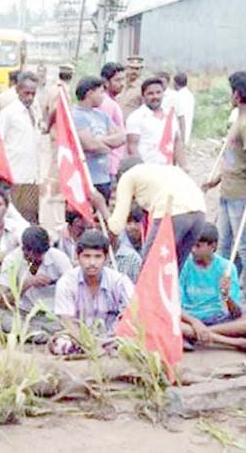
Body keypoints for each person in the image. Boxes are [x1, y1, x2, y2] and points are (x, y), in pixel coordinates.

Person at [102, 156, 206, 271]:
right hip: (200, 214)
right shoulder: (163, 171)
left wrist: (100, 205)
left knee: (148, 270)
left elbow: (116, 226)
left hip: (172, 214)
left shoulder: (128, 176)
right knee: (172, 271)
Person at [51, 230, 134, 355]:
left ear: (105, 259)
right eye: (87, 256)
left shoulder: (119, 281)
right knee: (60, 344)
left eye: (97, 257)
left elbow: (133, 312)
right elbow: (67, 320)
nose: (92, 263)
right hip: (79, 339)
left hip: (112, 338)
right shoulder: (66, 282)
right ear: (77, 257)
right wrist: (90, 345)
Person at [202, 71, 246, 272]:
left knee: (242, 245)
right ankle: (223, 288)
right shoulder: (238, 119)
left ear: (237, 94)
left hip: (240, 195)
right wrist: (216, 181)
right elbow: (233, 159)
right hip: (228, 191)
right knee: (224, 245)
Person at [0, 226, 72, 342]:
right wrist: (25, 285)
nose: (37, 258)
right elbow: (2, 301)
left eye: (40, 254)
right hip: (24, 314)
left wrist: (57, 283)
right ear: (24, 250)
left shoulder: (59, 258)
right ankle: (41, 336)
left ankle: (37, 336)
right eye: (33, 255)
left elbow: (73, 289)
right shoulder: (11, 260)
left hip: (53, 316)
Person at [180, 223, 246, 351]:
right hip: (190, 319)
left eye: (198, 246)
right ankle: (234, 342)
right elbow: (175, 306)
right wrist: (195, 322)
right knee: (167, 322)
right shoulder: (184, 264)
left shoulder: (227, 267)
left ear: (213, 246)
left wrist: (226, 297)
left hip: (217, 319)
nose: (193, 250)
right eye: (192, 245)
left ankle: (196, 335)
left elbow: (236, 313)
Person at [0, 71, 42, 223]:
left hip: (31, 178)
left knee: (30, 219)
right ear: (17, 90)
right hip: (14, 177)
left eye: (33, 93)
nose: (30, 97)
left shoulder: (34, 112)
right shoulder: (8, 114)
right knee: (14, 221)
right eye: (26, 93)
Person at [73, 76, 125, 200]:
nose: (103, 96)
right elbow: (89, 145)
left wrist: (99, 142)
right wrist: (107, 144)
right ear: (90, 93)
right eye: (101, 92)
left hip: (104, 177)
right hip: (85, 177)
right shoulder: (76, 115)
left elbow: (121, 137)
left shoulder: (102, 116)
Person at [125, 77, 186, 169]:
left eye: (158, 92)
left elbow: (177, 142)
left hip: (168, 170)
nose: (155, 97)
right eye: (150, 94)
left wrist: (184, 166)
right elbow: (132, 147)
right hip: (147, 172)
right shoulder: (136, 117)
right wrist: (142, 170)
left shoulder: (170, 115)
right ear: (143, 96)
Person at [99, 62, 127, 180]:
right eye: (117, 80)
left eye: (123, 80)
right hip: (109, 165)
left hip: (112, 163)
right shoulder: (107, 104)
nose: (122, 84)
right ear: (106, 81)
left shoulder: (111, 102)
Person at [169, 72, 195, 146]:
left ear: (175, 83)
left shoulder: (177, 96)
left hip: (179, 130)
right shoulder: (190, 95)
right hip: (187, 128)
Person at [117, 55, 144, 120]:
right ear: (126, 68)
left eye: (137, 69)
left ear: (141, 70)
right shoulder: (119, 84)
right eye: (131, 68)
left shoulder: (142, 88)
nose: (134, 71)